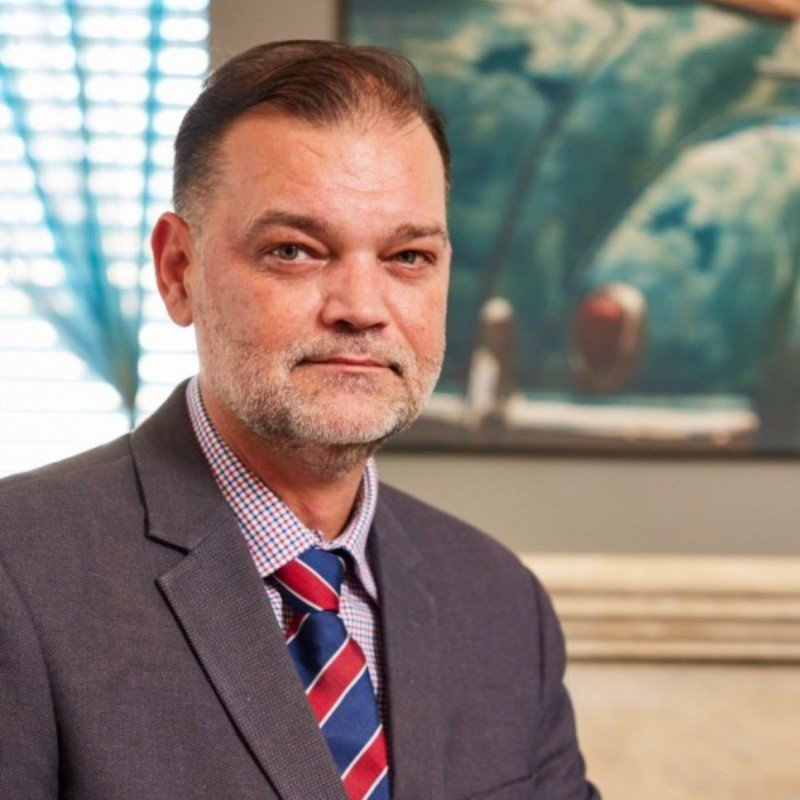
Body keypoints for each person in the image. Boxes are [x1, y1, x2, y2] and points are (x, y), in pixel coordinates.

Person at [0, 40, 599, 800]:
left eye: (408, 257)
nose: (361, 308)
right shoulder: (17, 573)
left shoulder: (501, 602)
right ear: (178, 271)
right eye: (294, 250)